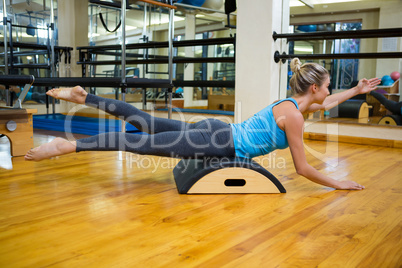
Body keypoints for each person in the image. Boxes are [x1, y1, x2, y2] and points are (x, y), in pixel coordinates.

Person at [25, 58, 381, 190]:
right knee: (137, 142)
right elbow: (302, 168)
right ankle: (66, 146)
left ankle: (83, 96)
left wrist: (356, 89)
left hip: (216, 128)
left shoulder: (289, 105)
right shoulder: (296, 119)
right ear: (315, 88)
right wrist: (338, 183)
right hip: (219, 144)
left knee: (146, 123)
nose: (331, 92)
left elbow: (330, 101)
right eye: (329, 85)